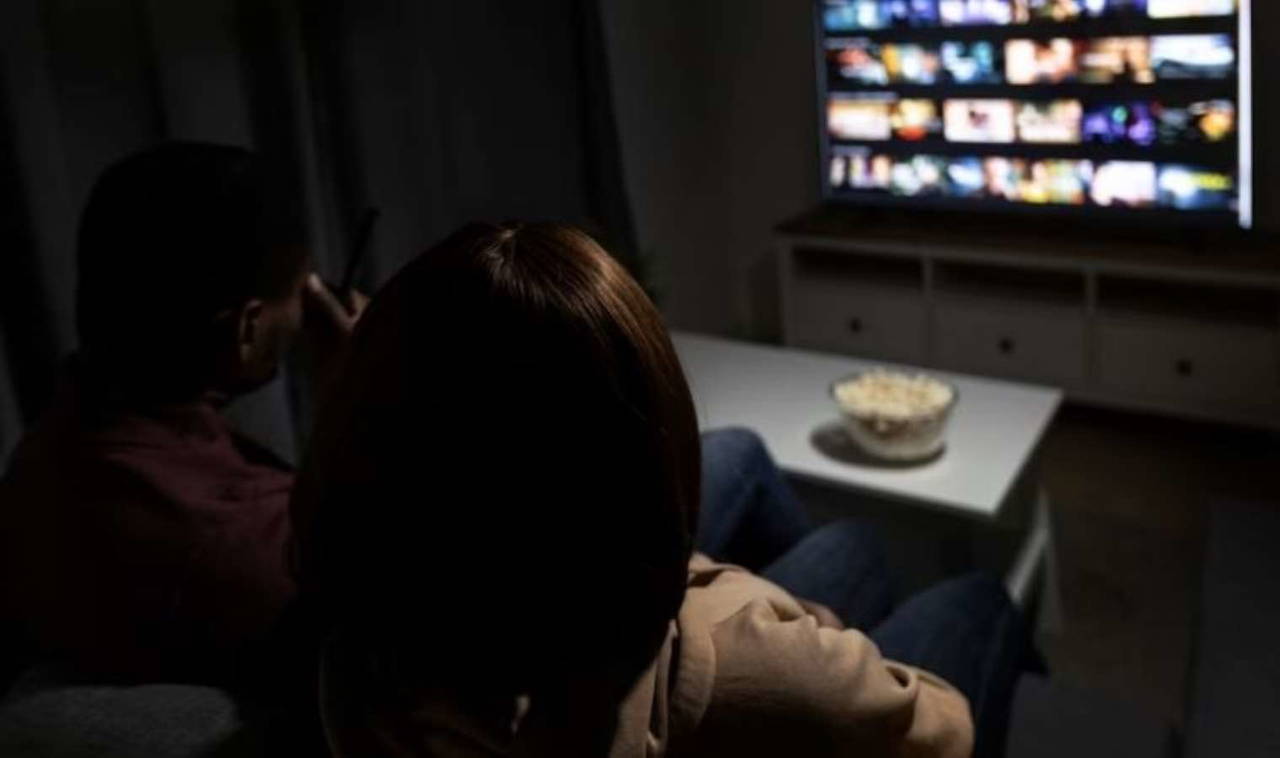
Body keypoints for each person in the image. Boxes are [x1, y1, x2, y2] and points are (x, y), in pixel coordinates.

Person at [291, 221, 1035, 757]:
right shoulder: (762, 671)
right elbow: (944, 727)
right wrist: (792, 626)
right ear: (640, 462)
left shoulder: (352, 658)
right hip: (771, 672)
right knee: (976, 600)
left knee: (849, 539)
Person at [0, 142, 366, 685]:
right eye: (301, 291)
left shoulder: (45, 457)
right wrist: (361, 397)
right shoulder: (244, 534)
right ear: (246, 329)